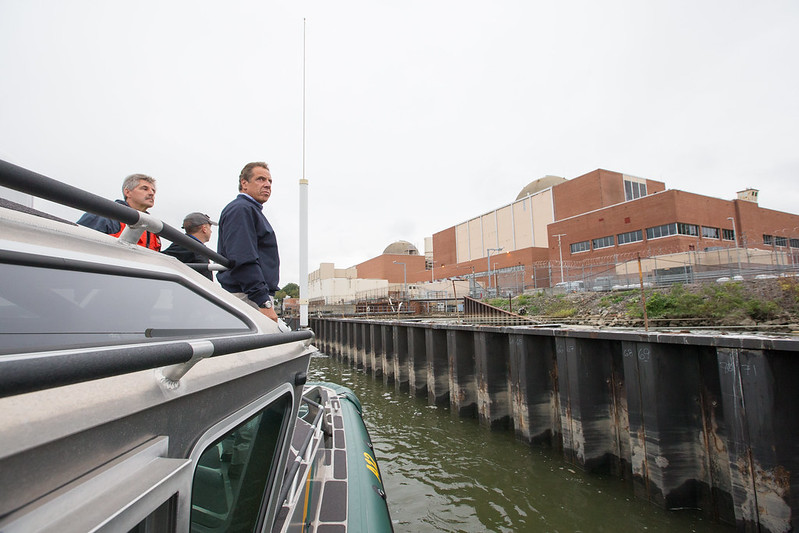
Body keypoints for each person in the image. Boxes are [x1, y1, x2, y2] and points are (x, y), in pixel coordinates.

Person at [217, 162, 280, 322]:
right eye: (260, 179)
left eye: (269, 181)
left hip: (252, 295)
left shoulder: (249, 210)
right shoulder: (242, 210)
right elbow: (243, 258)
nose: (267, 185)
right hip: (249, 297)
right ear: (244, 183)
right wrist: (263, 301)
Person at [77, 174, 161, 251]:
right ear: (127, 192)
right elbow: (77, 244)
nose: (151, 193)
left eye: (153, 191)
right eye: (144, 188)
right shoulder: (105, 215)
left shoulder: (153, 228)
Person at [162, 212, 217, 280]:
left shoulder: (187, 244)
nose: (211, 231)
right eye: (210, 228)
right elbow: (161, 259)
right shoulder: (187, 245)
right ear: (204, 228)